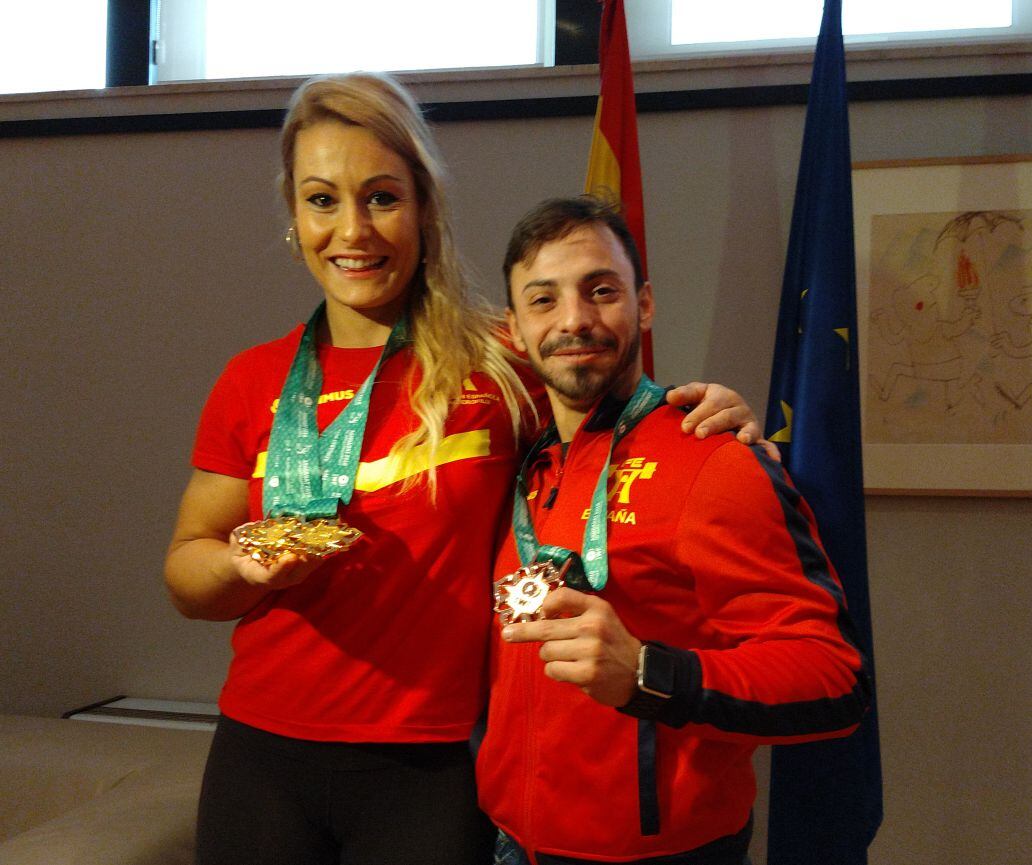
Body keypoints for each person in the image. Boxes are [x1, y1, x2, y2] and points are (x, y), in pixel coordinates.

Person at [164, 73, 766, 865]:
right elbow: (185, 569)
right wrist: (244, 566)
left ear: (423, 208)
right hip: (264, 750)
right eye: (322, 199)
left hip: (431, 761)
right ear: (294, 217)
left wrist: (718, 417)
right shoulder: (252, 381)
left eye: (381, 197)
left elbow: (614, 410)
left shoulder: (499, 358)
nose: (354, 229)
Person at [476, 196, 872, 865]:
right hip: (511, 842)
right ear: (515, 330)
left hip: (663, 853)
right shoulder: (521, 462)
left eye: (602, 291)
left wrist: (651, 673)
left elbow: (834, 679)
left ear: (645, 304)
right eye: (544, 300)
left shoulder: (712, 459)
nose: (574, 319)